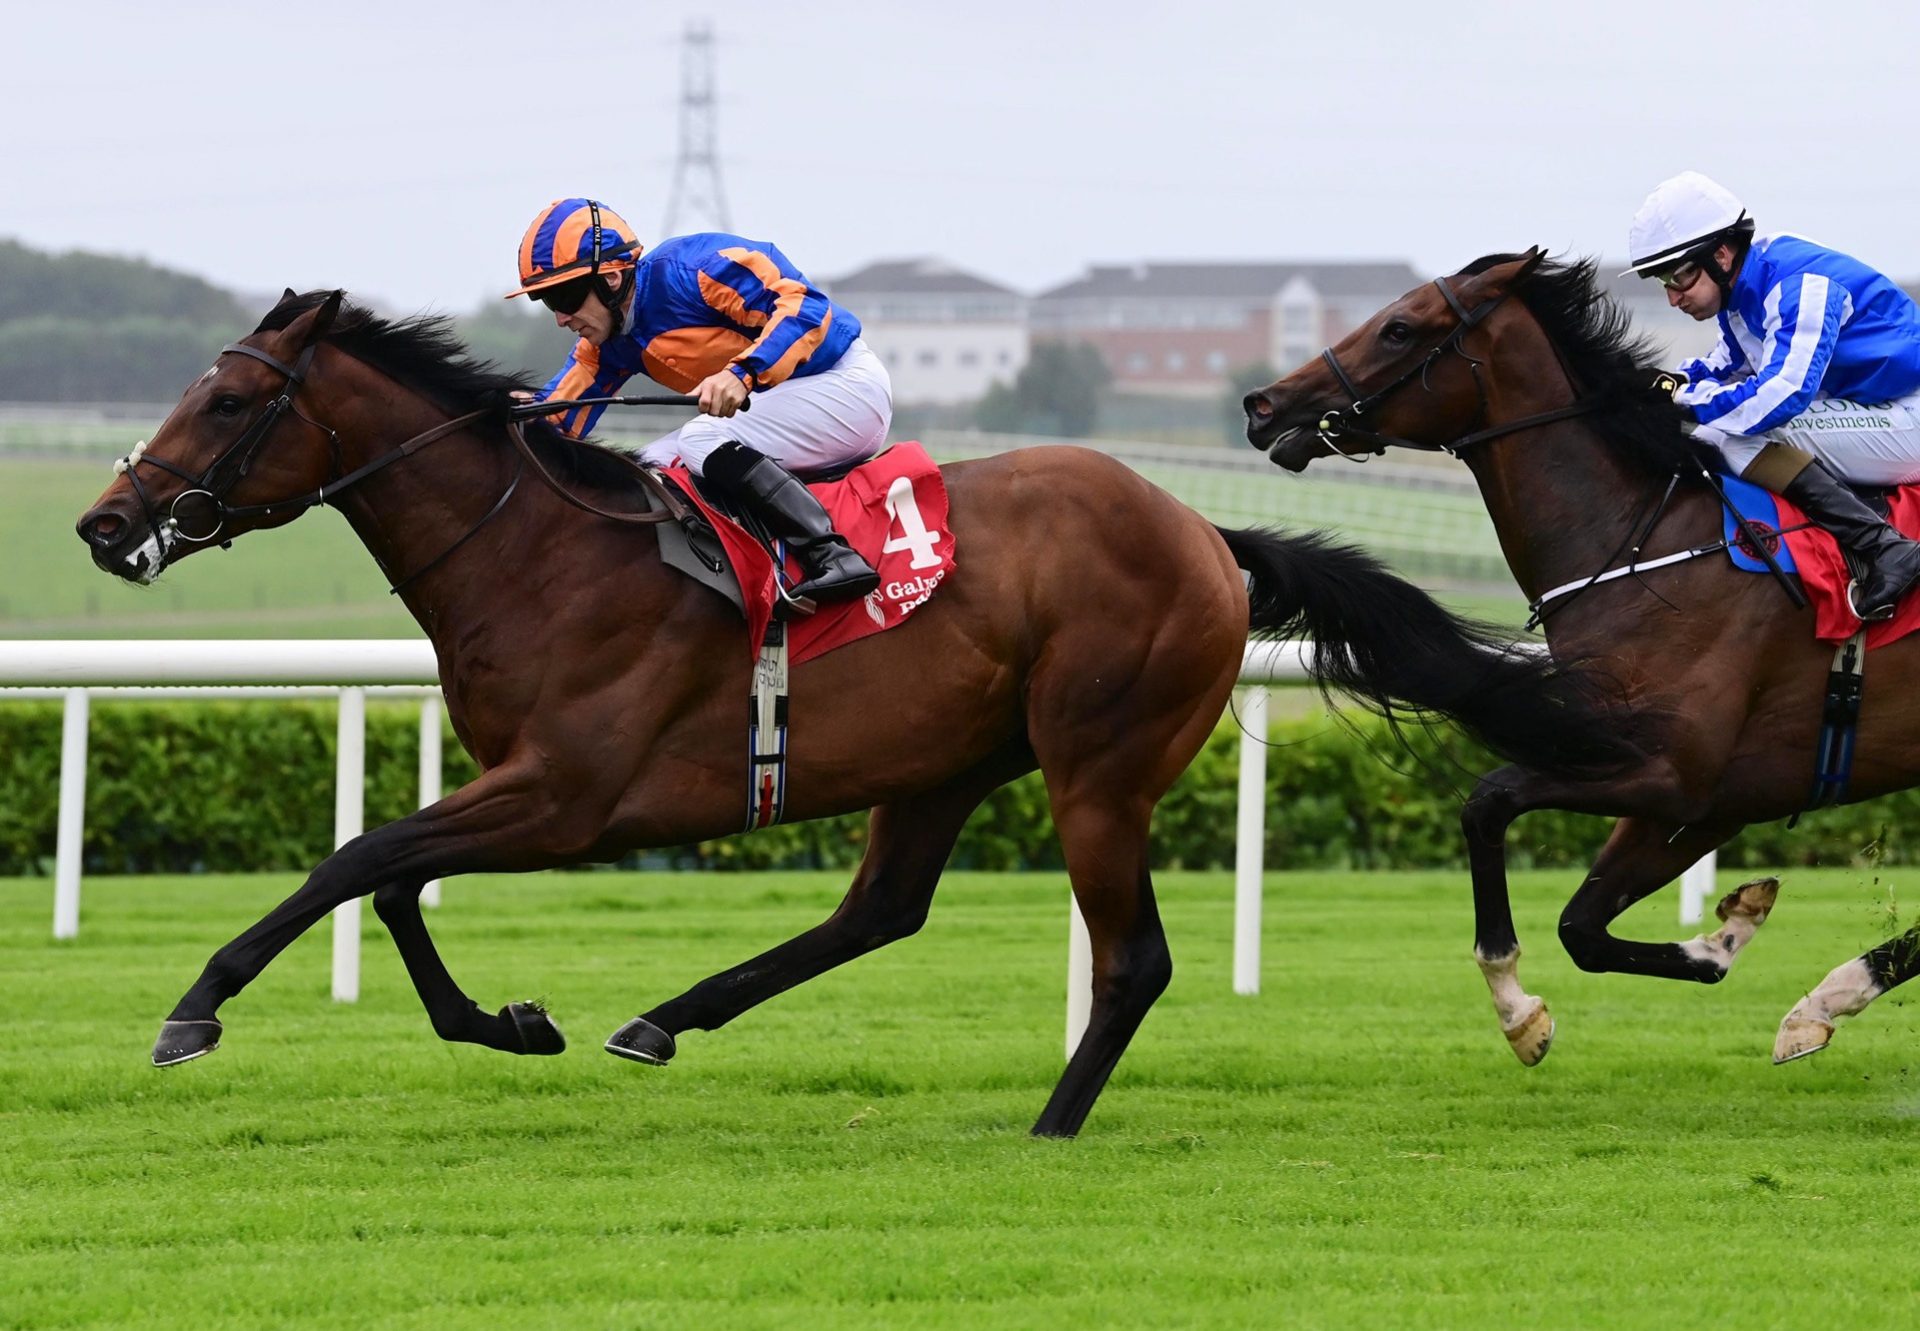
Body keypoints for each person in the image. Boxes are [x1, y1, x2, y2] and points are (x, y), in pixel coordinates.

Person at [506, 197, 888, 603]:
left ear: (612, 278)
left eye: (564, 298)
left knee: (700, 439)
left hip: (843, 386)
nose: (560, 318)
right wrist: (507, 410)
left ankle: (830, 554)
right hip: (785, 408)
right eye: (547, 302)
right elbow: (556, 416)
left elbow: (806, 306)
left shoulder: (696, 268)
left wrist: (742, 373)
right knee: (644, 471)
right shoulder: (606, 342)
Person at [1627, 171, 1920, 620]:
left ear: (1720, 254)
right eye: (1660, 281)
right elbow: (1723, 363)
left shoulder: (1798, 283)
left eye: (1678, 276)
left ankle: (1887, 548)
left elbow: (1783, 394)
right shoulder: (1747, 287)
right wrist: (1663, 384)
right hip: (1882, 407)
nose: (1672, 297)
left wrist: (1687, 403)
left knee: (1731, 435)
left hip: (1910, 413)